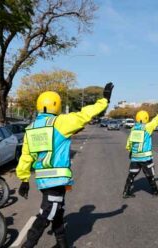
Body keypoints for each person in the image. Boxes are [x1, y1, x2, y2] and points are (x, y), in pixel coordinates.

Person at [16, 83, 114, 248]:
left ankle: (63, 245)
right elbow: (85, 114)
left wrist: (24, 179)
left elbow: (26, 156)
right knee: (47, 214)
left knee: (58, 213)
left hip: (43, 182)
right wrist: (104, 101)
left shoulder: (31, 129)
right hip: (57, 181)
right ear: (57, 105)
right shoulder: (60, 123)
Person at [122, 101, 158, 198]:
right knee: (150, 175)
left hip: (135, 157)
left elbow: (129, 142)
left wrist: (130, 150)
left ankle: (126, 191)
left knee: (132, 174)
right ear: (146, 118)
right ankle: (155, 191)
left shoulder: (133, 129)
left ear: (137, 118)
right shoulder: (147, 127)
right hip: (145, 158)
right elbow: (157, 119)